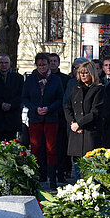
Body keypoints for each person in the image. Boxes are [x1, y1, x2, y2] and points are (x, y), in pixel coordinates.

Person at [22, 52, 64, 189]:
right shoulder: (30, 80)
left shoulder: (56, 80)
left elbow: (60, 99)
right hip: (35, 118)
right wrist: (35, 109)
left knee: (51, 148)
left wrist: (49, 108)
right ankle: (36, 177)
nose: (42, 67)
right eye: (39, 65)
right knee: (35, 147)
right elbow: (25, 98)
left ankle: (52, 179)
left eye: (44, 64)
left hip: (51, 118)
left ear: (48, 64)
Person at [64, 61, 105, 174]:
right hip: (76, 132)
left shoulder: (98, 89)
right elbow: (67, 106)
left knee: (90, 167)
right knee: (77, 165)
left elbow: (95, 112)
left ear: (91, 74)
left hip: (90, 133)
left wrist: (80, 124)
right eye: (81, 73)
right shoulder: (75, 88)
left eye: (85, 73)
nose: (82, 75)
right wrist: (73, 123)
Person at [0, 54, 24, 142]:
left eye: (6, 63)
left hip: (12, 116)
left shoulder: (18, 78)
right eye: (1, 63)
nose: (4, 65)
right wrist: (1, 104)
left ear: (10, 63)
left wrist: (11, 105)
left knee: (11, 144)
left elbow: (21, 95)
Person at [49, 52, 72, 182]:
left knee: (62, 147)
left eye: (54, 61)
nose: (52, 63)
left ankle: (62, 172)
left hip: (62, 117)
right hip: (48, 116)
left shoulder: (65, 79)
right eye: (50, 61)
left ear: (58, 63)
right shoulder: (43, 77)